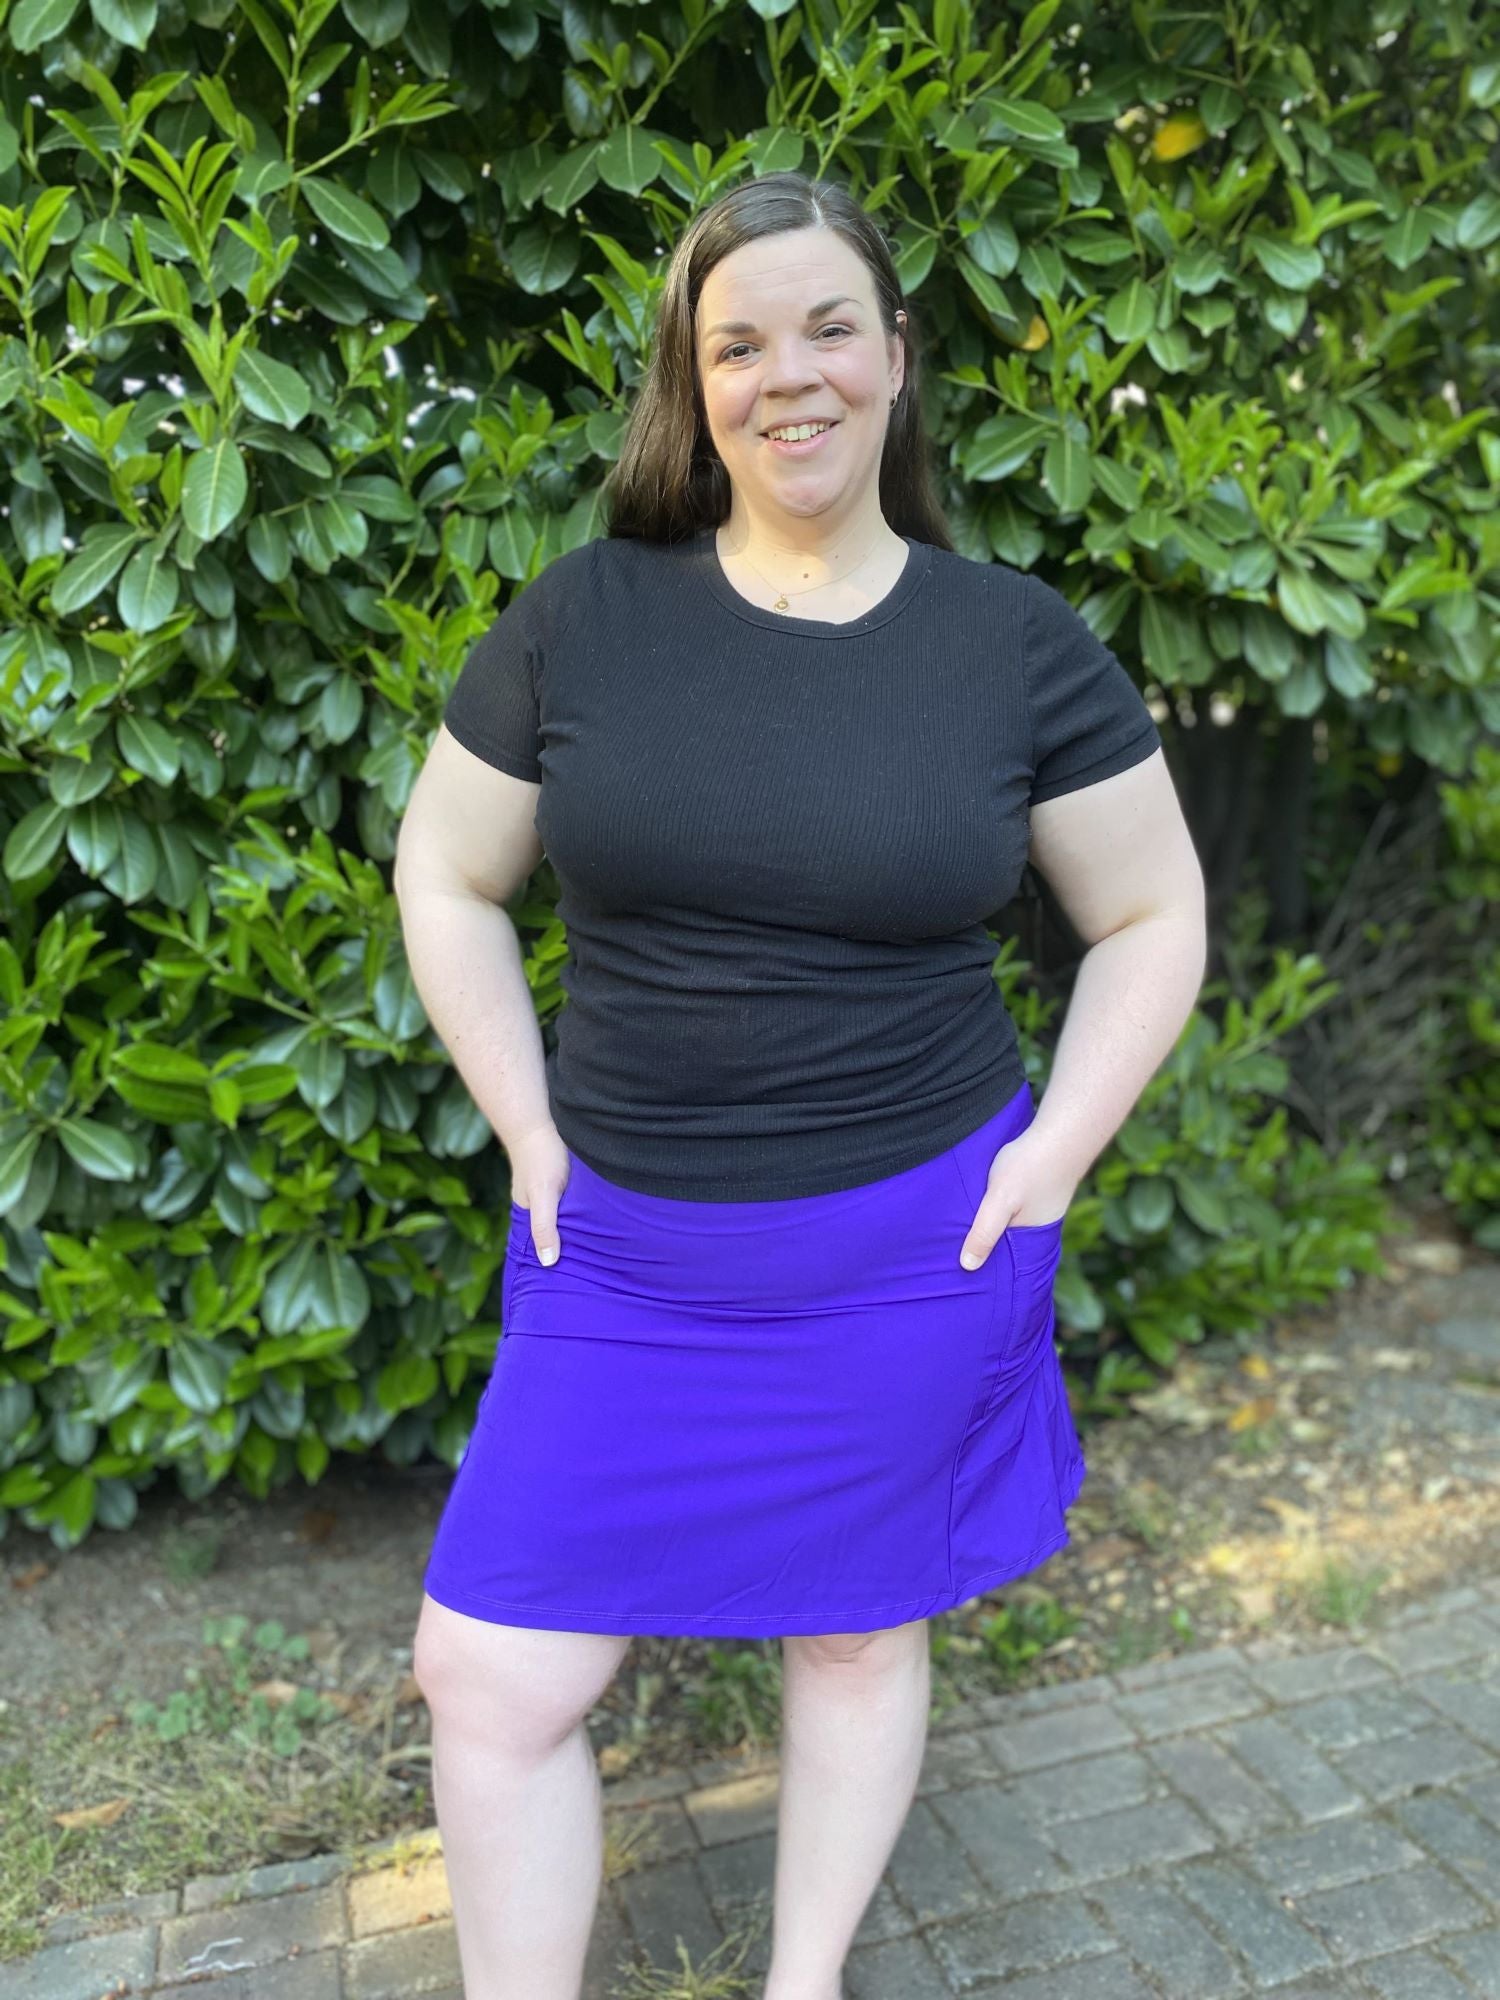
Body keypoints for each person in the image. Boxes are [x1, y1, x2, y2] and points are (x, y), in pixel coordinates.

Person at [395, 169, 1206, 2000]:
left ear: (898, 359)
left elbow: (1153, 913)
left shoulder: (1012, 645)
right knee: (493, 1670)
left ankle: (805, 1980)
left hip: (911, 1234)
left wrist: (1054, 1159)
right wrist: (524, 1124)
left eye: (830, 327)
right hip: (624, 1256)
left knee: (850, 1634)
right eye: (740, 341)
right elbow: (445, 872)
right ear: (699, 384)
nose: (792, 375)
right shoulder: (584, 616)